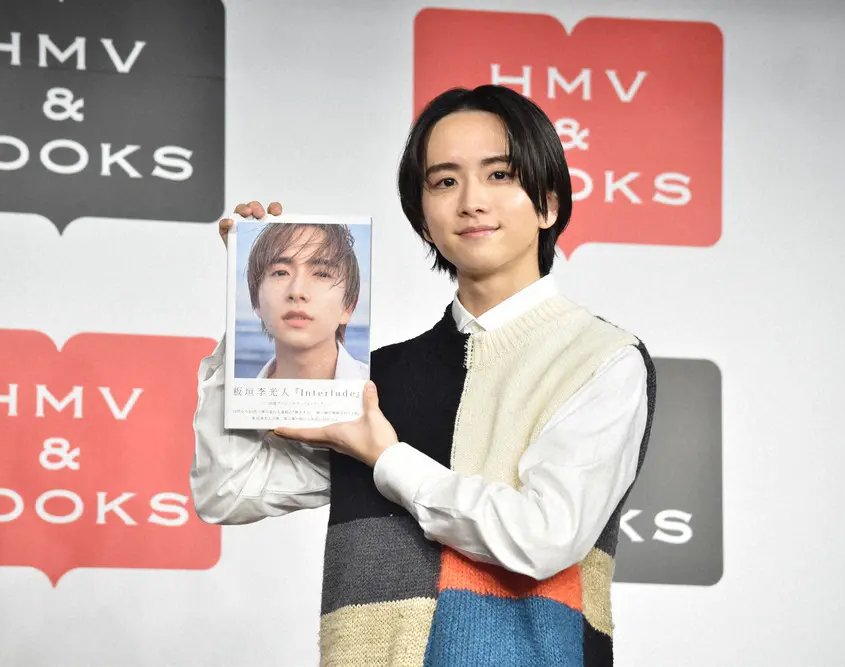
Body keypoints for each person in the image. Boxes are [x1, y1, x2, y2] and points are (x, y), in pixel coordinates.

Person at [191, 84, 656, 666]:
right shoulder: (377, 378)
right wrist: (247, 312)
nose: (471, 201)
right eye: (444, 182)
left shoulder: (600, 357)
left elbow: (543, 537)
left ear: (548, 204)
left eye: (500, 175)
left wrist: (387, 459)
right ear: (424, 221)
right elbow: (228, 491)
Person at [243, 221, 367, 380]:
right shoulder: (229, 391)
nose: (297, 292)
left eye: (322, 274)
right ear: (256, 299)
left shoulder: (382, 387)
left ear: (348, 307)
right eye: (281, 273)